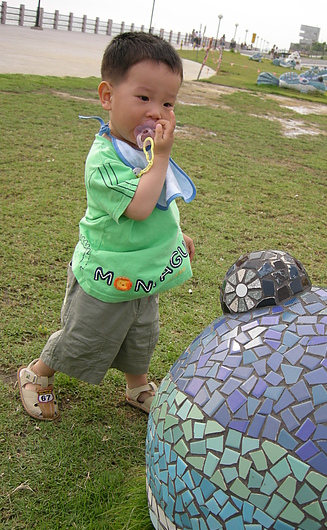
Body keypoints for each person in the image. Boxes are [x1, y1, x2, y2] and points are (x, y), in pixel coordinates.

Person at [17, 32, 196, 421]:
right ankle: (36, 376)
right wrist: (162, 157)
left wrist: (174, 239)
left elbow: (161, 209)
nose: (157, 112)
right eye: (144, 98)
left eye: (168, 103)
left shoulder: (144, 150)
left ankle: (136, 387)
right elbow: (140, 207)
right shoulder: (104, 160)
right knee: (84, 335)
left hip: (142, 269)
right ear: (107, 96)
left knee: (141, 332)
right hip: (106, 271)